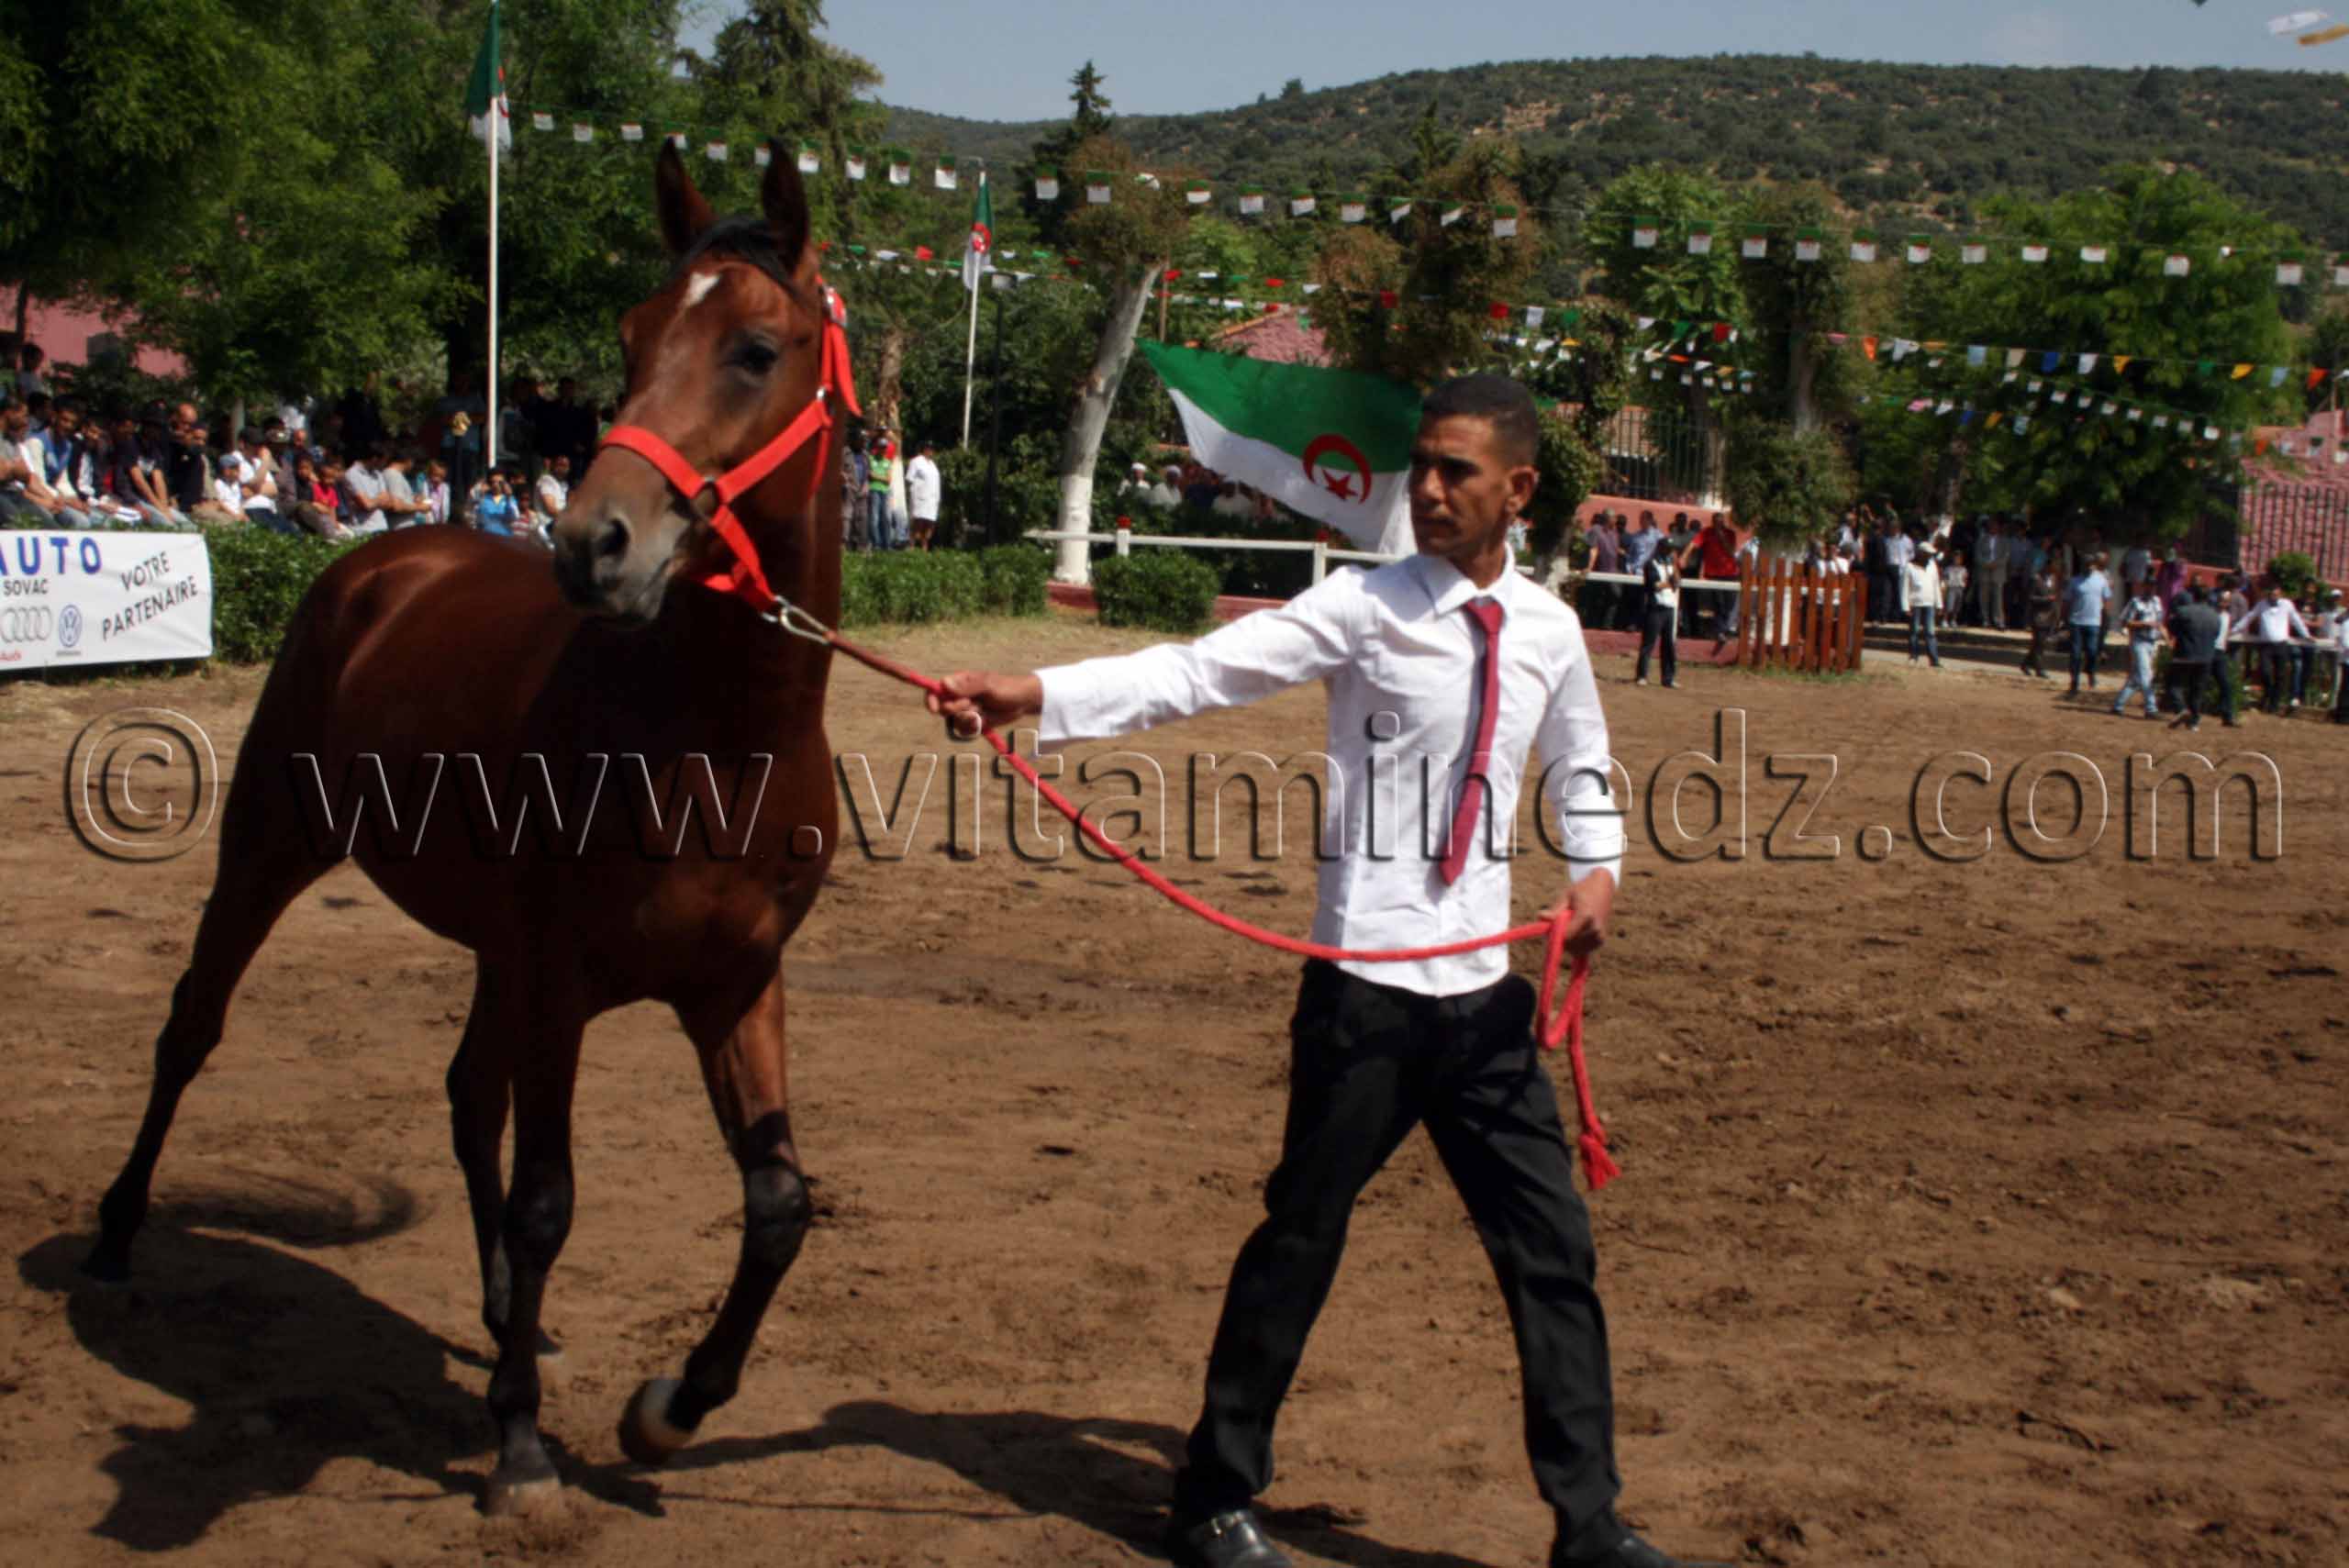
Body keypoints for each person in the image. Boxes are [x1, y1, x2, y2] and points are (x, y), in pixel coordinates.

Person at [925, 373, 1687, 1568]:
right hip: (1365, 991)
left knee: (1554, 1253)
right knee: (1302, 1235)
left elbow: (1581, 763)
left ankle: (1588, 1525)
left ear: (1518, 490)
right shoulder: (1367, 607)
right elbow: (1199, 669)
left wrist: (1598, 875)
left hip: (1488, 1000)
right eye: (1421, 466)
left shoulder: (1545, 630)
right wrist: (1034, 693)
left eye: (1455, 472)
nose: (1427, 489)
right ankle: (1215, 1496)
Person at [2232, 582, 2312, 714]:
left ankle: (2273, 704)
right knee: (2265, 672)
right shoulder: (2262, 604)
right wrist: (2235, 630)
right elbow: (2249, 617)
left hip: (2281, 644)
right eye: (2271, 593)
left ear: (2280, 594)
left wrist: (2306, 634)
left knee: (2280, 676)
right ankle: (2268, 694)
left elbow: (2296, 620)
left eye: (2276, 594)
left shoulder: (2287, 605)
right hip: (2266, 645)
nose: (2273, 596)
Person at [2164, 585, 2223, 731]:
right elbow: (2216, 634)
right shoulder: (2215, 615)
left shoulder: (2183, 611)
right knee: (2197, 689)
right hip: (2206, 656)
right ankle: (2194, 722)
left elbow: (2172, 629)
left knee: (2173, 685)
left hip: (2185, 654)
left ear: (2193, 596)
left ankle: (2181, 709)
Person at [2110, 580, 2166, 718]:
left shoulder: (2157, 602)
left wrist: (2166, 638)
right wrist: (2143, 623)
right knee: (2146, 674)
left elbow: (2159, 623)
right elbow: (2125, 621)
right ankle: (2151, 708)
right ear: (2144, 586)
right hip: (2139, 641)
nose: (2151, 589)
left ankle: (2118, 705)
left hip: (2152, 642)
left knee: (2136, 678)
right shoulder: (2135, 602)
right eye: (2149, 585)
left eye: (2153, 586)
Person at [2064, 552, 2113, 695]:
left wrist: (2106, 617)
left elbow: (2107, 598)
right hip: (2076, 621)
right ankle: (2074, 681)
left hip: (2094, 622)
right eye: (2087, 565)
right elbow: (2067, 601)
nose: (2089, 567)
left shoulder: (2101, 580)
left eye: (2091, 565)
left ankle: (2090, 671)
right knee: (2076, 653)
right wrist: (2064, 619)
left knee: (2092, 651)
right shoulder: (2075, 581)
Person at [1637, 532, 1679, 688]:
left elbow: (1677, 581)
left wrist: (1673, 574)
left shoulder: (1670, 564)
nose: (1670, 552)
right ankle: (1642, 675)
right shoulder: (1651, 564)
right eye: (1668, 549)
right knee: (1648, 643)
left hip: (1669, 607)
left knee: (1669, 644)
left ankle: (1668, 678)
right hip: (1655, 607)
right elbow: (1655, 585)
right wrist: (1670, 583)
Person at [1901, 539, 1943, 668]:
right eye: (1927, 554)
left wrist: (1939, 603)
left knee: (1930, 632)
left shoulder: (1932, 566)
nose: (1929, 556)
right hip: (1915, 603)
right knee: (1914, 631)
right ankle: (1913, 656)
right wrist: (1905, 606)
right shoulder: (1909, 566)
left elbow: (1936, 585)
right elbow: (1904, 588)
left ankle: (1934, 659)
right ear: (1920, 553)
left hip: (1929, 602)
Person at [906, 439, 941, 551]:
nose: (931, 451)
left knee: (929, 527)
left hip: (932, 501)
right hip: (920, 499)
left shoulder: (933, 465)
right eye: (928, 448)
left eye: (932, 449)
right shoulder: (916, 462)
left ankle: (924, 549)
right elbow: (909, 479)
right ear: (924, 449)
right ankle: (911, 547)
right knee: (917, 525)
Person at [867, 428, 900, 549]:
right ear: (877, 447)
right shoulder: (871, 458)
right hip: (874, 489)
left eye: (884, 447)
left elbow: (888, 479)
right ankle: (876, 543)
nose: (883, 449)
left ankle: (887, 544)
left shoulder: (887, 461)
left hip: (885, 491)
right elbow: (870, 475)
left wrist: (877, 476)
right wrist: (881, 477)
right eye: (881, 447)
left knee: (886, 517)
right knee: (874, 517)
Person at [472, 467, 522, 537]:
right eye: (493, 482)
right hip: (485, 539)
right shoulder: (483, 499)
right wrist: (481, 497)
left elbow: (514, 517)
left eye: (500, 482)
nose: (495, 485)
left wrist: (508, 498)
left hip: (505, 539)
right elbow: (477, 519)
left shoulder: (510, 499)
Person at [842, 430, 870, 550]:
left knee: (862, 517)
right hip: (848, 489)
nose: (864, 443)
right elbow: (836, 469)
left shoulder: (865, 455)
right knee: (846, 516)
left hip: (862, 490)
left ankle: (861, 545)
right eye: (861, 440)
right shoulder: (844, 453)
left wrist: (866, 485)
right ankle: (843, 543)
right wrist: (844, 479)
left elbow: (868, 472)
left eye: (865, 441)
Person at [534, 452, 573, 528]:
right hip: (546, 526)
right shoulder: (546, 480)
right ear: (553, 465)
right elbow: (551, 509)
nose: (563, 468)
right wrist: (570, 518)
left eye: (566, 466)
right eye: (560, 465)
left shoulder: (564, 484)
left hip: (559, 524)